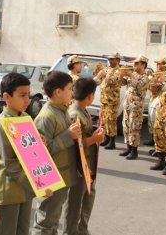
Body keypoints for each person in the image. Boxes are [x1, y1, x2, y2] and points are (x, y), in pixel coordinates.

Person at [0, 72, 52, 235]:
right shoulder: (3, 123)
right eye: (22, 95)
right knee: (5, 231)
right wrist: (38, 186)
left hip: (24, 188)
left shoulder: (25, 117)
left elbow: (31, 154)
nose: (27, 100)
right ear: (6, 96)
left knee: (22, 231)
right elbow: (10, 165)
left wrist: (40, 144)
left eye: (28, 95)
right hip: (9, 189)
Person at [32, 71, 81, 235]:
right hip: (53, 180)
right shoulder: (47, 116)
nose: (72, 92)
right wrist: (69, 135)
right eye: (69, 88)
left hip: (63, 176)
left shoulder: (61, 110)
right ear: (58, 92)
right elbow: (39, 153)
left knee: (53, 220)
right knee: (45, 222)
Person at [65, 78, 104, 235]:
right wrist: (94, 139)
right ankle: (71, 232)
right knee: (75, 205)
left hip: (87, 166)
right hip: (80, 167)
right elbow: (76, 144)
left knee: (87, 200)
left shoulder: (82, 110)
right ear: (90, 96)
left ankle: (82, 230)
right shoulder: (75, 113)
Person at [119, 56, 150, 160]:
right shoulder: (134, 74)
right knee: (126, 126)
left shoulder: (145, 77)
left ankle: (134, 151)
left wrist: (130, 74)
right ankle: (128, 147)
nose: (134, 65)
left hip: (136, 107)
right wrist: (122, 75)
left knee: (134, 128)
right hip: (127, 104)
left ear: (143, 65)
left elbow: (139, 86)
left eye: (137, 64)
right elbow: (121, 83)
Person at [94, 52, 121, 149]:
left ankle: (112, 141)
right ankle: (106, 138)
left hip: (112, 101)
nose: (110, 61)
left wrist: (105, 74)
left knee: (111, 120)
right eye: (109, 59)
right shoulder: (107, 69)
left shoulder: (119, 70)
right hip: (104, 100)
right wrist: (97, 73)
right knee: (104, 120)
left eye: (112, 59)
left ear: (117, 60)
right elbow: (98, 80)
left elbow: (113, 80)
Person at [145, 57, 166, 147]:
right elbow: (149, 87)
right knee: (151, 121)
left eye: (159, 64)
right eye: (157, 64)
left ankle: (158, 143)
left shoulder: (165, 76)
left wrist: (158, 79)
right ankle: (152, 138)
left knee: (158, 123)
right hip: (152, 99)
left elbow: (162, 87)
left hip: (160, 101)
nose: (157, 65)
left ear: (164, 65)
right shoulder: (155, 74)